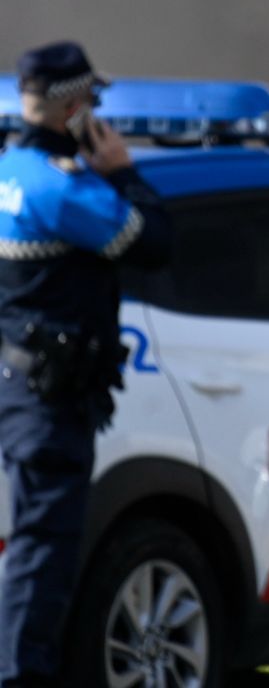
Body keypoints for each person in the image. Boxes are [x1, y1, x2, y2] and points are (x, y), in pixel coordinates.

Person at [0, 42, 171, 686]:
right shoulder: (64, 189)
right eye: (91, 101)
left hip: (18, 384)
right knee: (43, 554)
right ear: (72, 107)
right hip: (50, 401)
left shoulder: (9, 171)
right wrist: (124, 171)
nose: (96, 112)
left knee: (30, 549)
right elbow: (153, 244)